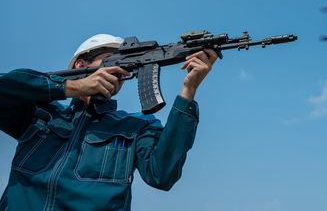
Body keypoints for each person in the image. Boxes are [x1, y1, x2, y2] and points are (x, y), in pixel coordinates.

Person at [0, 34, 217, 211]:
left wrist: (188, 91)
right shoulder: (41, 116)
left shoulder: (136, 126)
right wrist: (73, 87)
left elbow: (161, 175)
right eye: (112, 64)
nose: (120, 75)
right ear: (80, 65)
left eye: (127, 69)